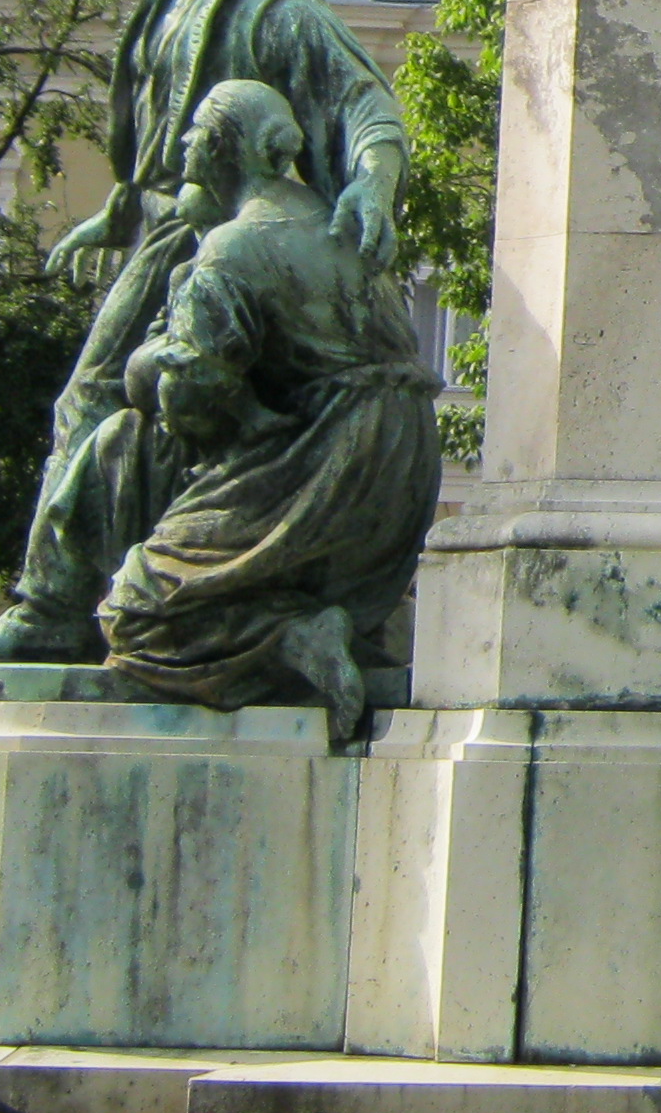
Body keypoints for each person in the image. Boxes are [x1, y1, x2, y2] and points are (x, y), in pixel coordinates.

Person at [0, 0, 408, 667]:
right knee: (143, 422)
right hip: (159, 231)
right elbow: (158, 143)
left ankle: (54, 607)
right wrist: (119, 210)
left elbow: (363, 103)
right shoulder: (164, 4)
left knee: (91, 401)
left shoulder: (278, 8)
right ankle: (143, 606)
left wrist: (372, 182)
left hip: (216, 245)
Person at [93, 82, 445, 742]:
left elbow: (193, 389)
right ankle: (355, 625)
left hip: (328, 455)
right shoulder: (336, 223)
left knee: (138, 611)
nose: (186, 140)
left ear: (236, 148)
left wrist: (147, 366)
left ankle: (290, 636)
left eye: (200, 129)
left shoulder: (234, 245)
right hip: (403, 461)